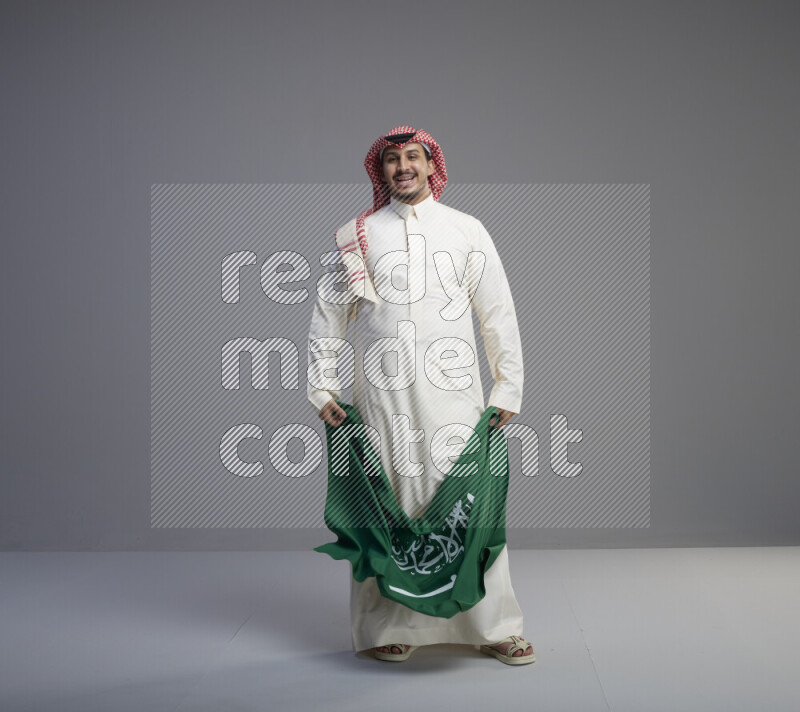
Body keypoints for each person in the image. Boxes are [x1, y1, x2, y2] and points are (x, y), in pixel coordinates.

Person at [306, 126, 534, 665]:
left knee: (466, 506)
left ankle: (495, 626)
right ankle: (389, 626)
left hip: (455, 394)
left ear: (432, 166)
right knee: (391, 506)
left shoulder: (467, 230)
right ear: (380, 171)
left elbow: (497, 311)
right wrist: (322, 384)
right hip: (382, 396)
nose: (403, 167)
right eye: (392, 160)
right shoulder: (357, 235)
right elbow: (328, 315)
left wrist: (508, 386)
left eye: (413, 157)